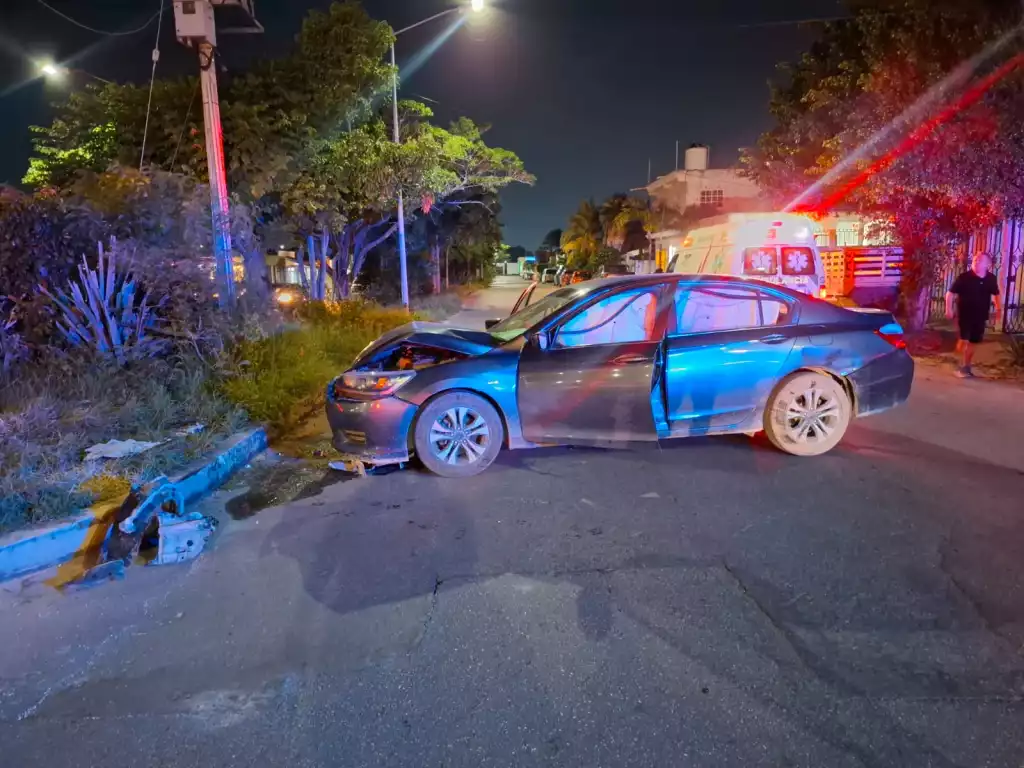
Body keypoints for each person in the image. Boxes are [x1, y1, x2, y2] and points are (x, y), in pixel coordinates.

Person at [945, 252, 1002, 378]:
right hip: (964, 314)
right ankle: (960, 360)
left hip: (980, 315)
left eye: (980, 260)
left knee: (974, 341)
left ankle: (966, 366)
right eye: (975, 260)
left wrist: (998, 310)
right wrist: (948, 309)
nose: (976, 262)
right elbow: (950, 293)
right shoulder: (964, 277)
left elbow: (996, 294)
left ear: (987, 264)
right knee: (964, 340)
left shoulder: (991, 279)